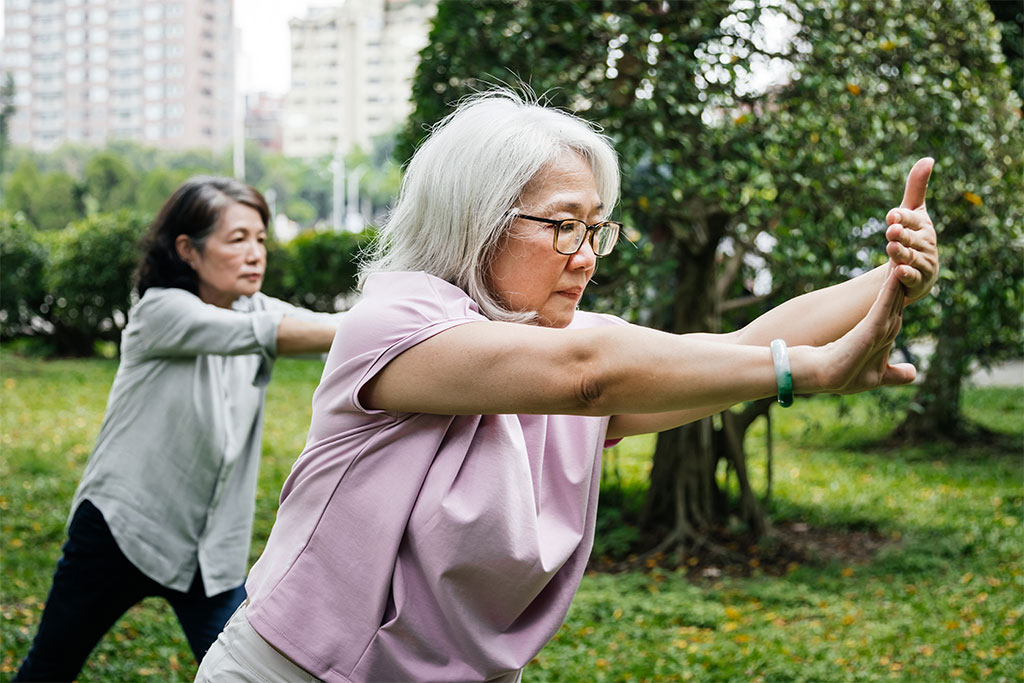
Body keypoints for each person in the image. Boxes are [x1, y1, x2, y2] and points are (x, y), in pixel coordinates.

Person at [196, 91, 938, 682]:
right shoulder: (397, 321)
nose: (586, 256)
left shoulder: (566, 346)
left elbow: (734, 348)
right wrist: (804, 370)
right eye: (563, 226)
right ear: (475, 222)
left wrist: (893, 273)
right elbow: (590, 375)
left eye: (596, 229)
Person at [15, 177, 343, 681]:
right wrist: (371, 324)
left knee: (242, 673)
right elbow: (281, 333)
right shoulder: (159, 311)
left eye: (260, 239)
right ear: (188, 250)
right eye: (238, 240)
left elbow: (322, 328)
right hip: (122, 530)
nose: (256, 254)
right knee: (49, 669)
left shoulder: (255, 306)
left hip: (209, 553)